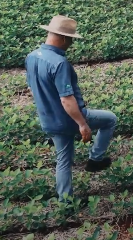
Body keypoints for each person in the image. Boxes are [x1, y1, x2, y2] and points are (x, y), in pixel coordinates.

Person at [25, 15, 118, 202]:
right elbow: (67, 100)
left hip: (48, 120)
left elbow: (31, 89)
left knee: (63, 161)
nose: (72, 44)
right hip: (67, 119)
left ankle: (65, 202)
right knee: (110, 119)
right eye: (72, 40)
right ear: (64, 38)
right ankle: (95, 160)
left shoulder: (32, 56)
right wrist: (82, 124)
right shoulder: (59, 64)